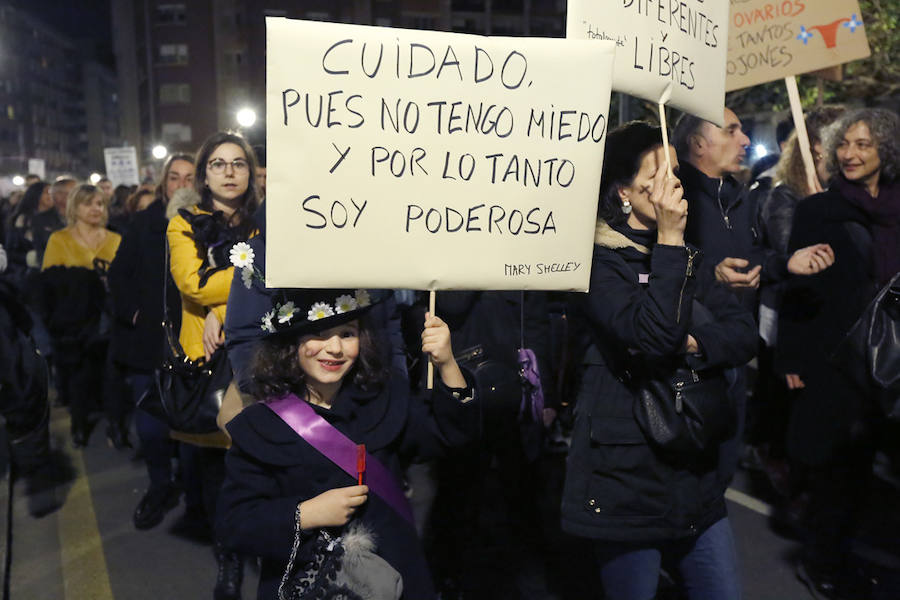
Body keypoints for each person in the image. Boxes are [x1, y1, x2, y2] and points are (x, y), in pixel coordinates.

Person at [561, 121, 757, 600]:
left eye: (675, 168)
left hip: (695, 473)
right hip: (627, 478)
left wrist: (694, 343)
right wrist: (669, 242)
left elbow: (741, 334)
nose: (676, 181)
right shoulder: (595, 264)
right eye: (660, 171)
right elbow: (652, 336)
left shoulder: (687, 254)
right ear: (625, 191)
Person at [217, 287, 478, 600]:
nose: (335, 348)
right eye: (318, 333)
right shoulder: (260, 425)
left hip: (391, 580)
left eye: (347, 333)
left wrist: (448, 365)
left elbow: (451, 436)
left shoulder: (385, 399)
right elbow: (235, 525)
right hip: (306, 585)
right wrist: (306, 514)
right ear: (291, 342)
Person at [778, 107, 900, 599]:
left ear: (887, 149)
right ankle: (822, 561)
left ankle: (848, 553)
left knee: (871, 466)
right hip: (835, 356)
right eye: (844, 144)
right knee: (836, 471)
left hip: (891, 361)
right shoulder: (817, 210)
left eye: (863, 144)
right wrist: (791, 359)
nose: (849, 153)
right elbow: (797, 290)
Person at [167, 131, 259, 600]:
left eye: (238, 163)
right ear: (204, 174)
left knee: (262, 459)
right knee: (216, 468)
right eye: (219, 164)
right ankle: (228, 558)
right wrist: (252, 276)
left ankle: (266, 542)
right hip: (209, 359)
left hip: (263, 352)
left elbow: (280, 278)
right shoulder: (184, 222)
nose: (229, 172)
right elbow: (194, 284)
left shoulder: (266, 223)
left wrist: (225, 310)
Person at [108, 153, 196, 518]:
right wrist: (134, 313)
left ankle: (196, 497)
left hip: (193, 342)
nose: (181, 185)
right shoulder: (144, 223)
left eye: (189, 177)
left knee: (194, 427)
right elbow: (118, 275)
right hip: (149, 341)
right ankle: (160, 485)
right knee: (150, 426)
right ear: (164, 183)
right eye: (174, 177)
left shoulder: (209, 221)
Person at [40, 183, 122, 447]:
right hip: (76, 324)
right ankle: (79, 423)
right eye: (88, 203)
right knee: (80, 376)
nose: (96, 209)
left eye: (100, 203)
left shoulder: (115, 239)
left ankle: (115, 423)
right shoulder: (59, 239)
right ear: (75, 207)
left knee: (112, 375)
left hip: (110, 319)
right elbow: (50, 283)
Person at [32, 177, 75, 264]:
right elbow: (40, 249)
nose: (65, 197)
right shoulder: (41, 219)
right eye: (61, 193)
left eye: (70, 193)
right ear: (53, 195)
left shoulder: (86, 217)